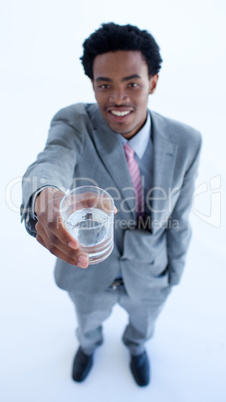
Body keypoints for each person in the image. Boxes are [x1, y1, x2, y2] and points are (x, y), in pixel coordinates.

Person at [21, 22, 202, 387]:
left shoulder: (187, 141)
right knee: (87, 323)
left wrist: (173, 276)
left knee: (143, 326)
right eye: (105, 84)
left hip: (151, 271)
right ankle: (88, 346)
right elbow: (51, 160)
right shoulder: (74, 122)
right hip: (87, 269)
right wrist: (45, 196)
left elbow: (180, 215)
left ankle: (136, 348)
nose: (118, 98)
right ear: (92, 84)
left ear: (152, 82)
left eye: (132, 83)